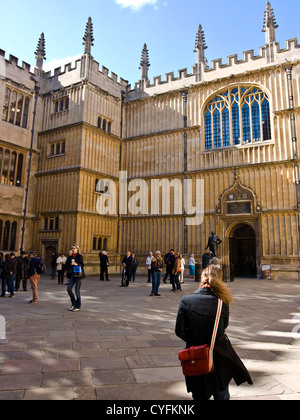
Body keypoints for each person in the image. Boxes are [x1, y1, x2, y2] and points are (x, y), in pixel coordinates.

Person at [175, 265, 253, 400]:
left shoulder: (186, 300)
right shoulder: (222, 302)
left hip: (195, 355)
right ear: (220, 280)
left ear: (201, 278)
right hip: (218, 354)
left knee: (199, 394)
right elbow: (224, 326)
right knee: (221, 392)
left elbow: (179, 331)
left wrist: (195, 340)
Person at [66, 244, 85, 312]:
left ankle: (78, 306)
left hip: (78, 275)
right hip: (73, 275)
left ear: (77, 249)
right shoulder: (72, 256)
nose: (72, 249)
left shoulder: (79, 256)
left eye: (74, 248)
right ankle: (73, 303)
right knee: (68, 289)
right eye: (72, 248)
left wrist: (76, 264)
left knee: (77, 291)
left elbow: (82, 265)